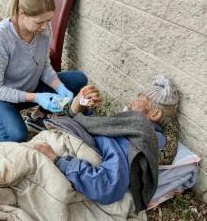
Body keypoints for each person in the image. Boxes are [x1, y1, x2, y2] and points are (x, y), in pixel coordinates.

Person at [34, 75, 179, 211]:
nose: (130, 102)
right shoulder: (129, 127)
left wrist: (57, 160)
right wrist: (81, 107)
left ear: (154, 115)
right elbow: (104, 130)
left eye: (139, 100)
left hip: (60, 152)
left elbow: (107, 186)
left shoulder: (140, 134)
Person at [0, 0, 87, 143]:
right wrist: (36, 97)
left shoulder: (41, 30)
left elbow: (43, 66)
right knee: (16, 136)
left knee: (78, 79)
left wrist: (59, 87)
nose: (45, 27)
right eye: (39, 22)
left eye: (48, 21)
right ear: (22, 13)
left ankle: (37, 118)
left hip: (29, 88)